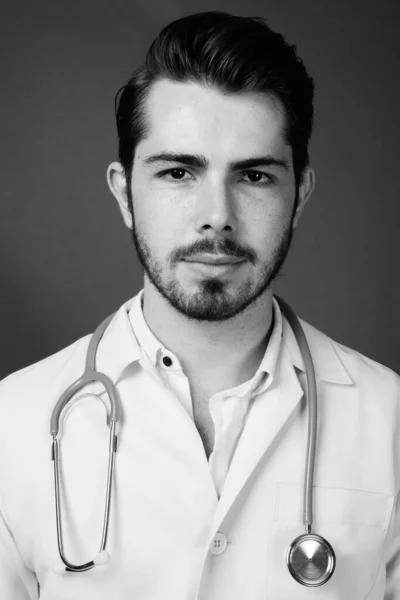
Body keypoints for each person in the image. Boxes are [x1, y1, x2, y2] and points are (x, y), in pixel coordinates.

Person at [0, 11, 399, 600]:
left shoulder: (390, 419)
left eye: (256, 175)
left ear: (301, 194)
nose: (218, 215)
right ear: (124, 193)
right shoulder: (11, 425)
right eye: (179, 171)